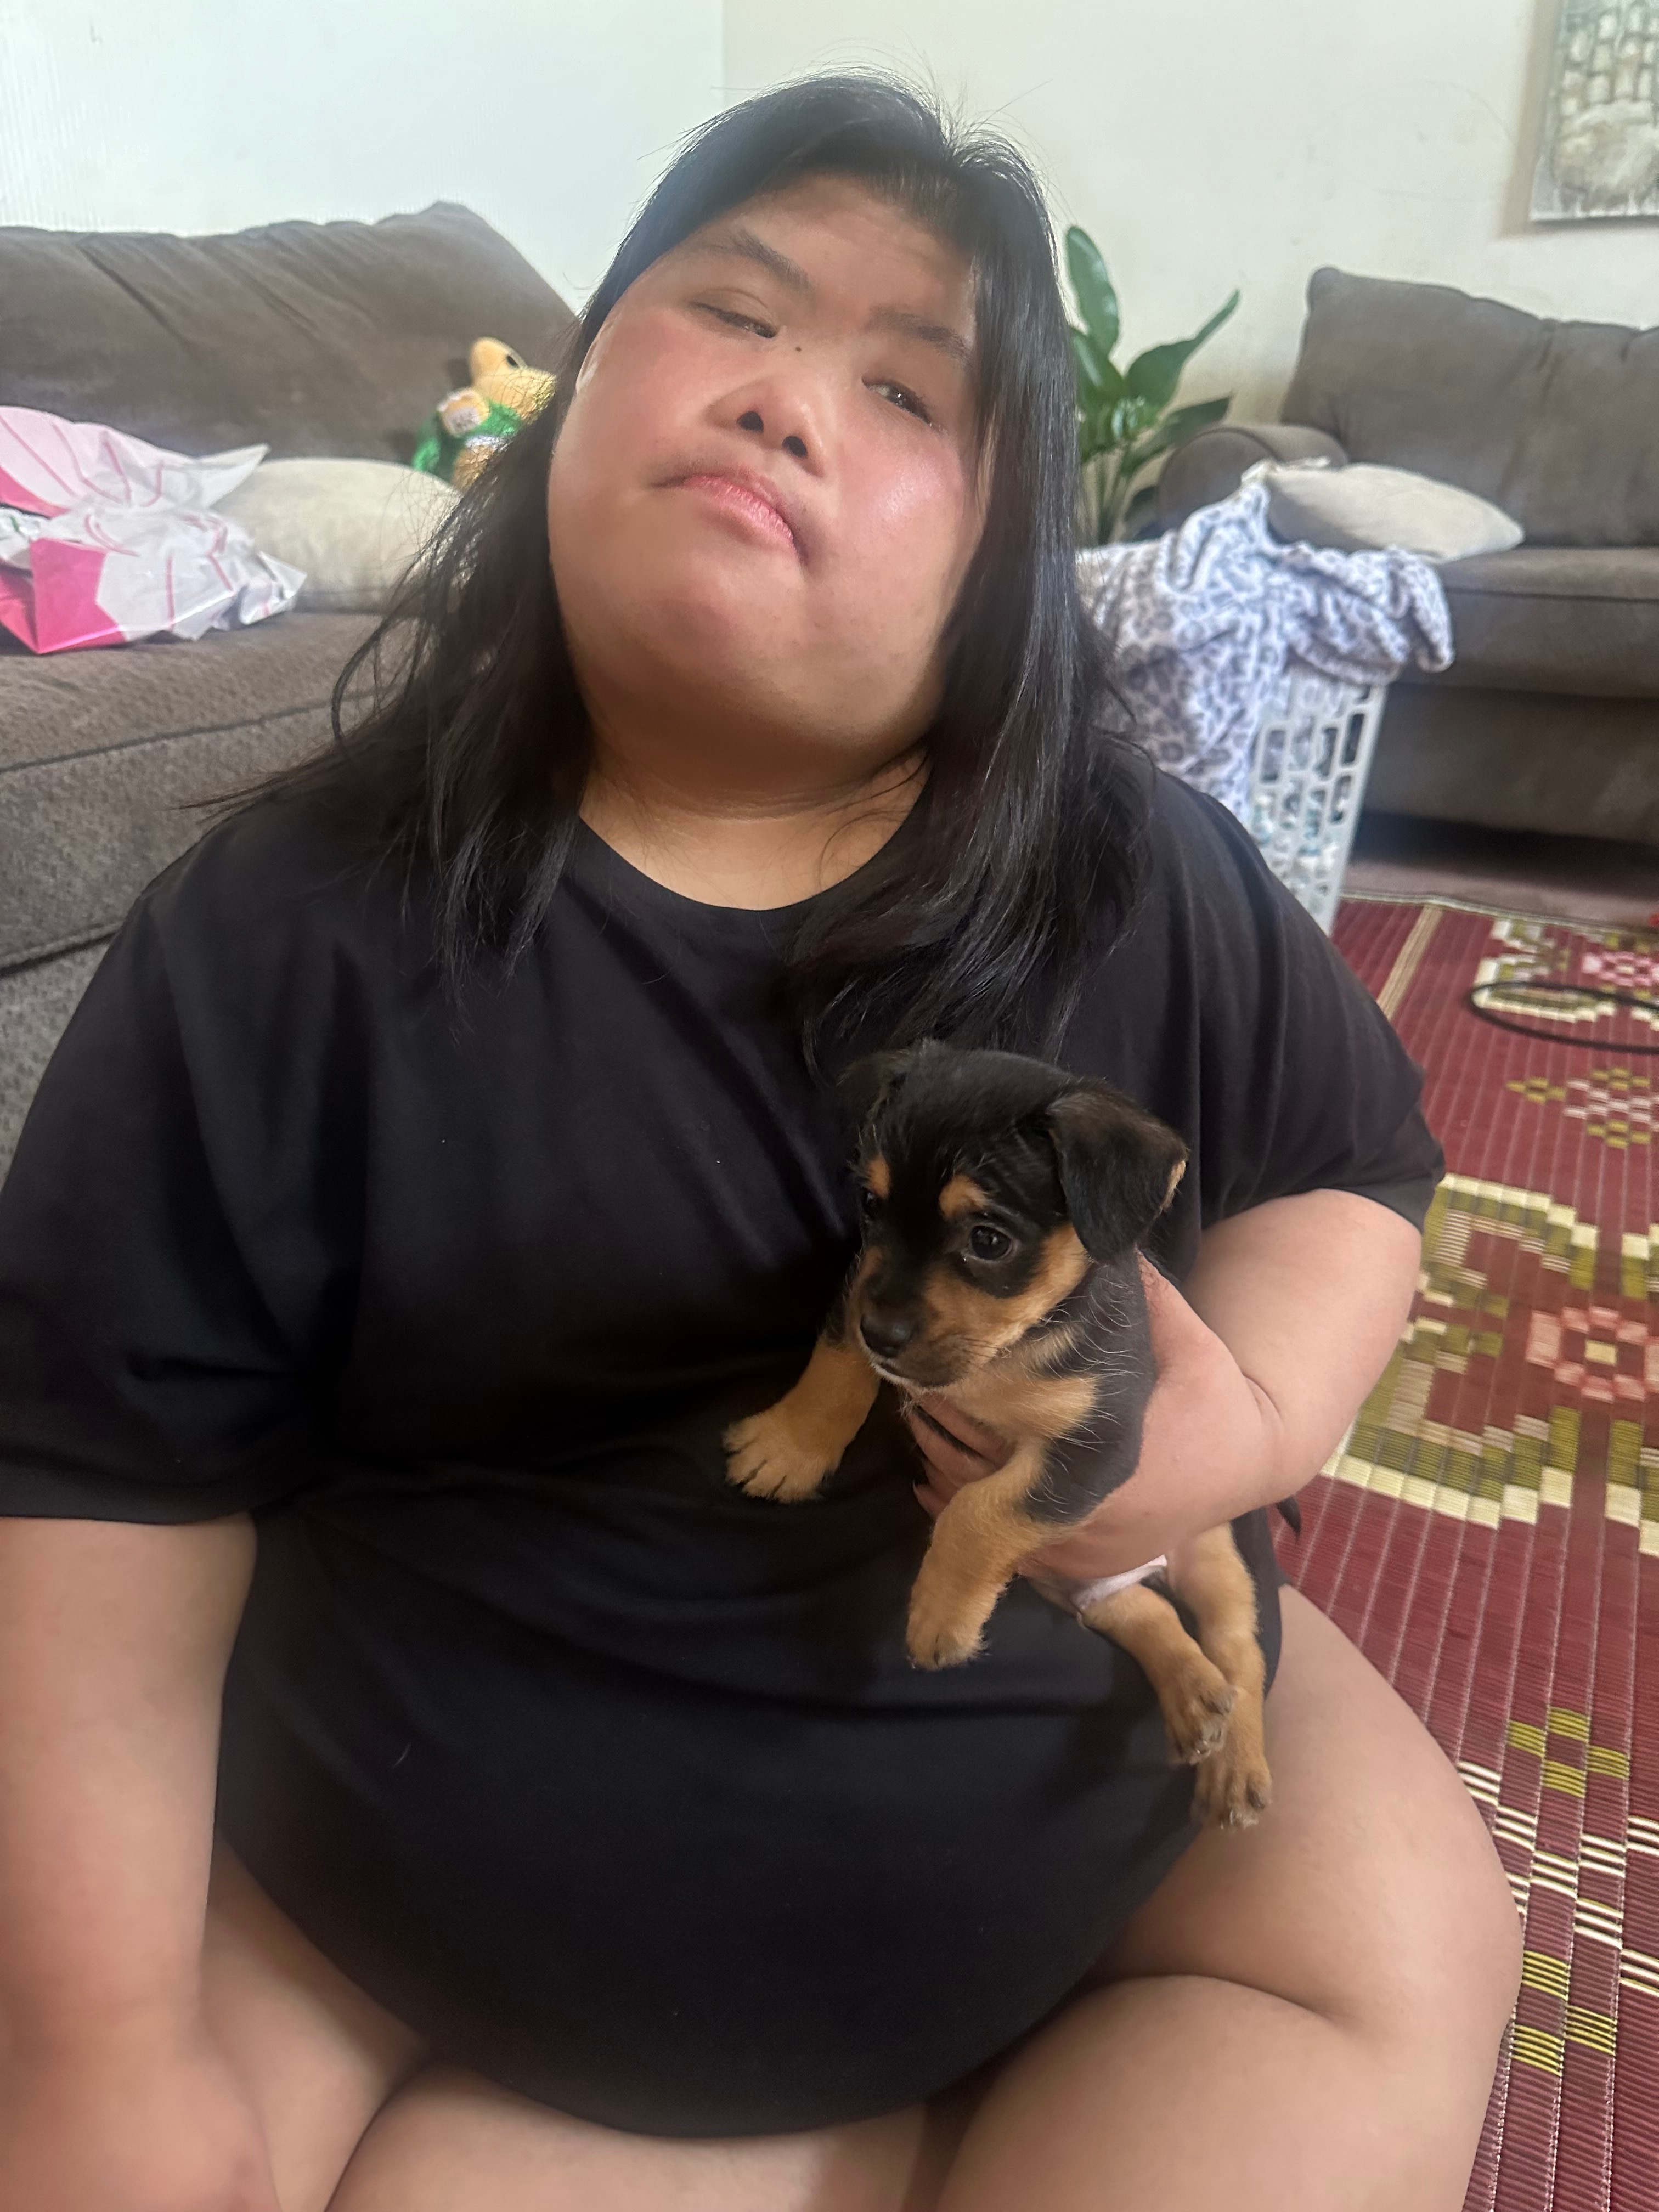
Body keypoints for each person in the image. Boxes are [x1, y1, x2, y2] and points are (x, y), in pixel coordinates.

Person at [0, 74, 1519, 2212]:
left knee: (1403, 1937)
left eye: (906, 390)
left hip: (1080, 1783)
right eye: (733, 309)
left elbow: (1354, 1173)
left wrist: (1251, 1423)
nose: (788, 400)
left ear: (1001, 563)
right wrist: (96, 2054)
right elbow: (95, 1508)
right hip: (423, 1854)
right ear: (568, 399)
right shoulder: (284, 933)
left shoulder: (1130, 872)